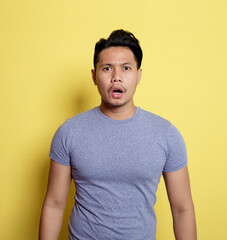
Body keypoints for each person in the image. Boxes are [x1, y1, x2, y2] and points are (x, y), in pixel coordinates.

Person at [39, 29, 197, 240]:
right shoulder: (69, 132)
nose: (117, 77)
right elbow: (54, 204)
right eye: (107, 68)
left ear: (138, 75)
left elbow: (182, 209)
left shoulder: (166, 134)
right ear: (94, 76)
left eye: (126, 68)